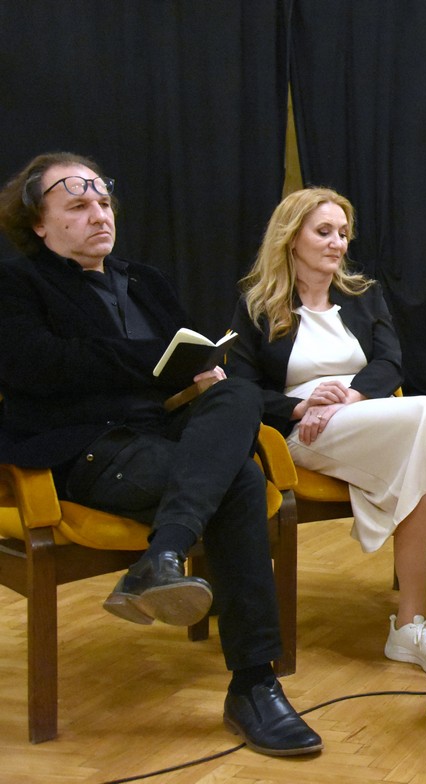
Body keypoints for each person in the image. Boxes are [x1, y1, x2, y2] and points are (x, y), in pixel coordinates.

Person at [0, 153, 322, 756]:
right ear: (39, 224)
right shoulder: (17, 285)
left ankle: (164, 554)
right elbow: (39, 366)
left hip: (169, 433)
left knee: (237, 391)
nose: (100, 215)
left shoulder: (145, 280)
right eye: (78, 205)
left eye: (103, 203)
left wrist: (202, 371)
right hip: (89, 447)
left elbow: (188, 355)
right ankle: (254, 684)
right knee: (240, 484)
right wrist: (154, 362)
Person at [228, 187, 426, 670]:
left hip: (367, 416)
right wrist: (301, 407)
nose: (337, 243)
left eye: (343, 233)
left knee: (425, 467)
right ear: (291, 237)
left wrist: (350, 397)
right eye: (324, 232)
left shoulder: (363, 295)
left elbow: (389, 362)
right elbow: (241, 390)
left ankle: (408, 629)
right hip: (305, 432)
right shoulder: (258, 306)